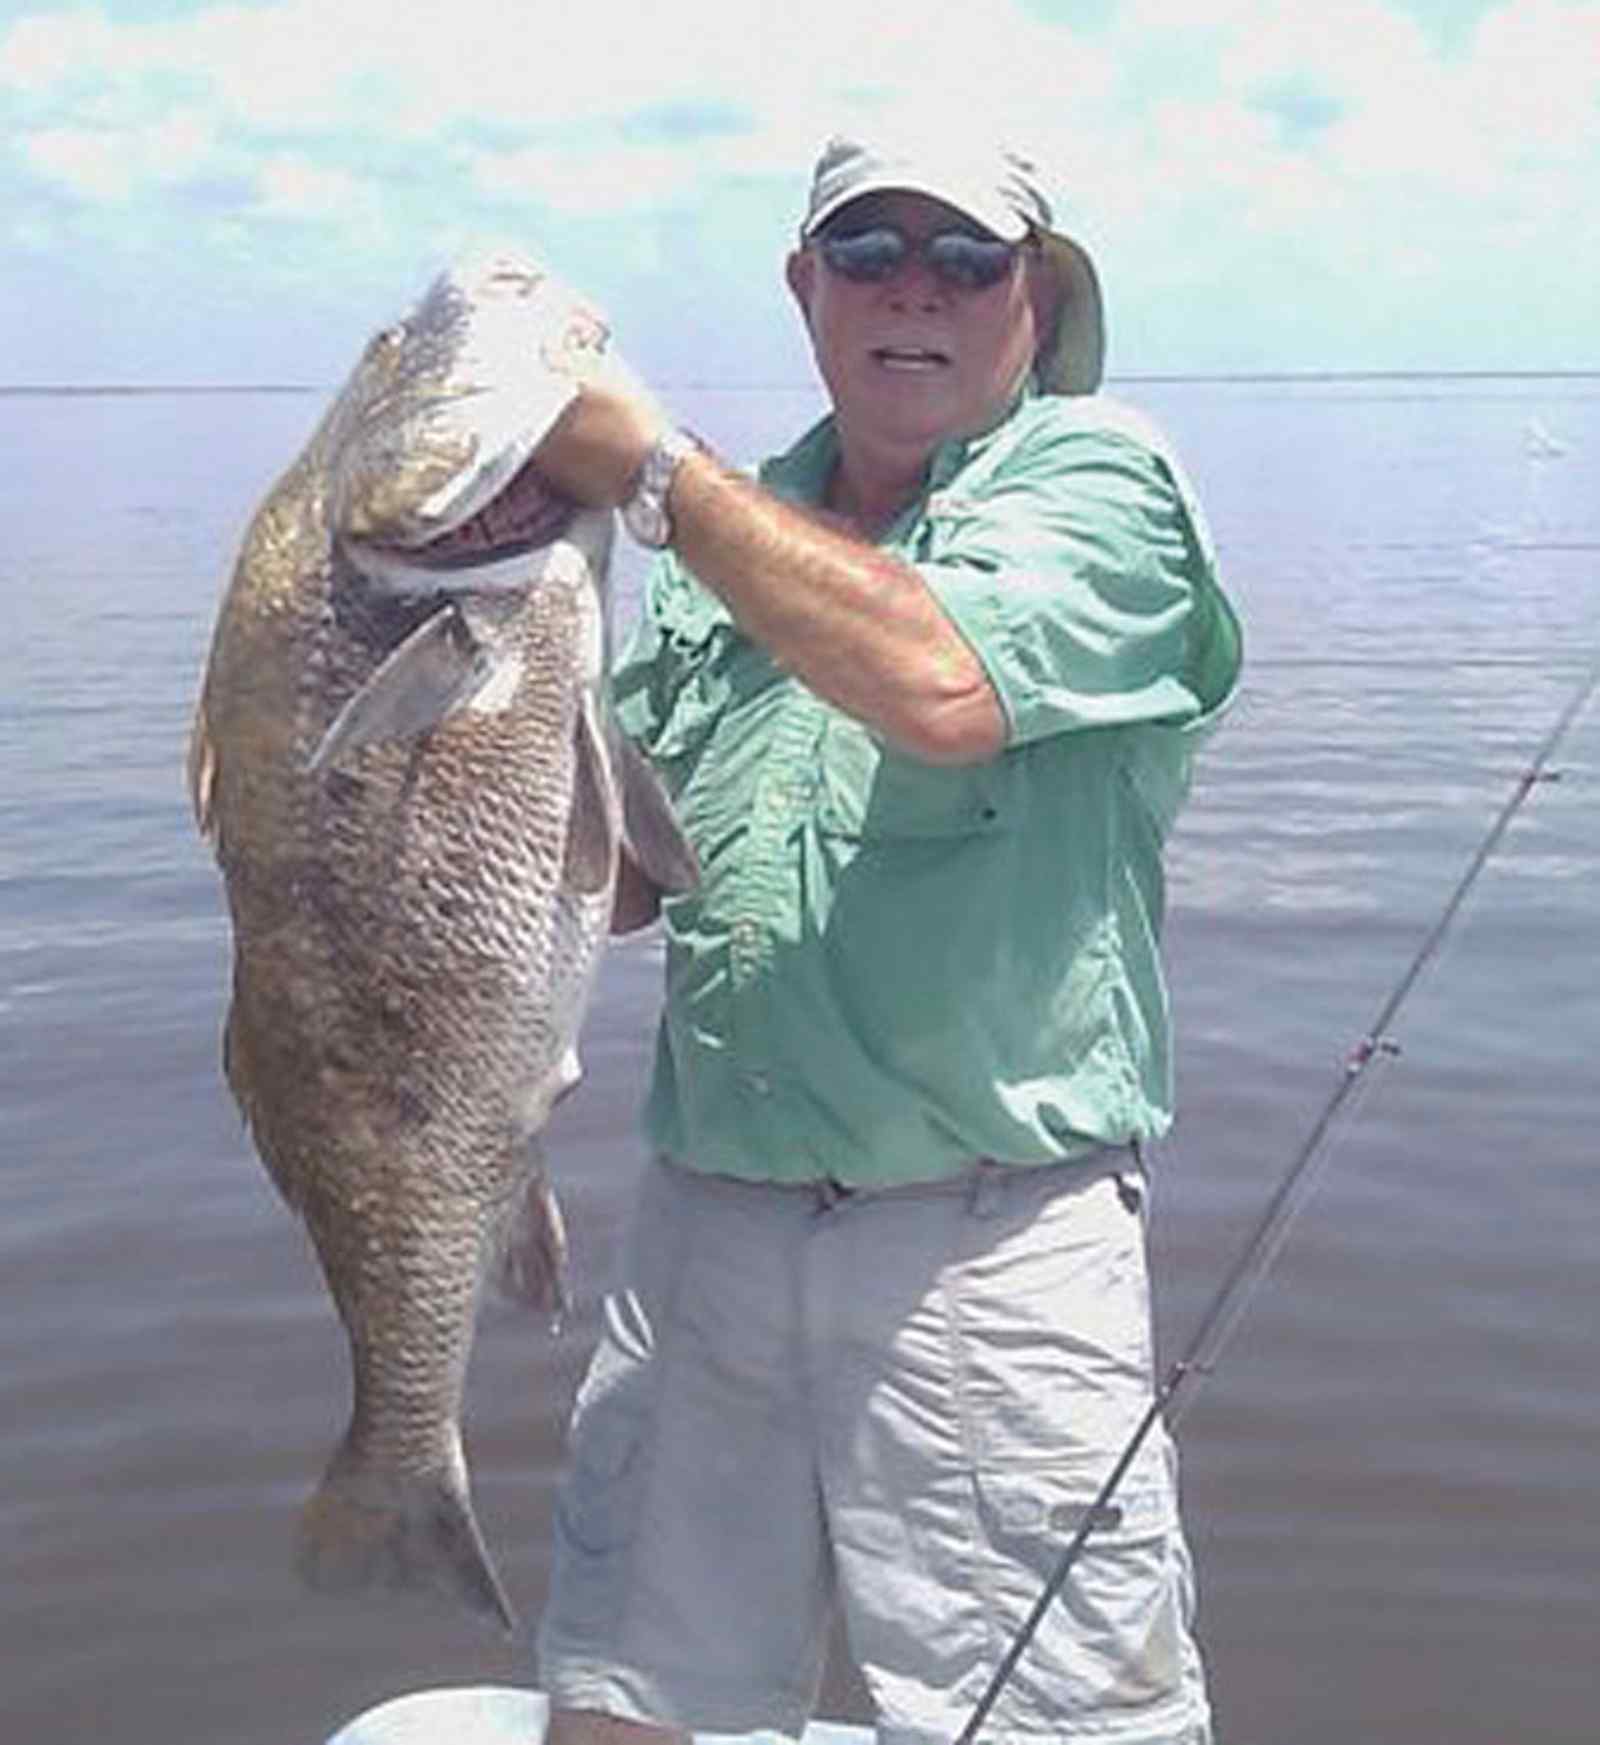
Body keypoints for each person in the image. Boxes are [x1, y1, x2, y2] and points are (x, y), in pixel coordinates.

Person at [529, 131, 1242, 1745]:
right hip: (705, 1223)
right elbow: (618, 880)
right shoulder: (731, 534)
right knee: (619, 1703)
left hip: (987, 1246)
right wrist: (458, 658)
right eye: (868, 251)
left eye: (965, 258)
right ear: (807, 287)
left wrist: (658, 477)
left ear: (1035, 296)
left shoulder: (1101, 484)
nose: (914, 288)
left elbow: (941, 682)